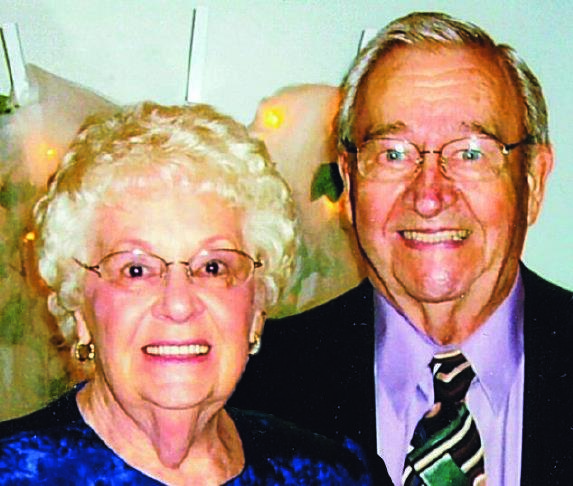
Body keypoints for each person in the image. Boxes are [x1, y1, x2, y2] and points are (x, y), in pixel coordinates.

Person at [230, 11, 573, 485]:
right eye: (392, 154)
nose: (429, 196)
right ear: (348, 183)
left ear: (533, 181)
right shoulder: (249, 393)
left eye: (470, 153)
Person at [0, 102, 378, 485]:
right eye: (136, 270)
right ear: (79, 308)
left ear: (256, 307)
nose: (179, 304)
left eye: (213, 267)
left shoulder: (333, 475)